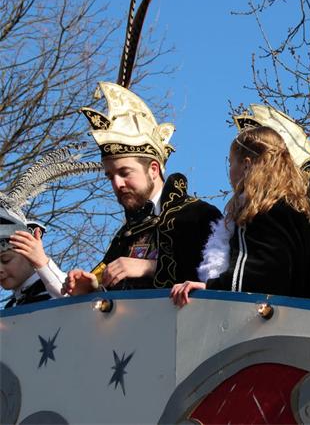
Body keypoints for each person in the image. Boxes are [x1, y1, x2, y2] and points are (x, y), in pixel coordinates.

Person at [64, 83, 222, 294]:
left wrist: (149, 267)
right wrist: (91, 288)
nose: (117, 184)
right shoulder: (126, 234)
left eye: (125, 173)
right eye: (110, 176)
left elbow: (219, 283)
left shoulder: (199, 216)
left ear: (153, 169)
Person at [170, 125, 310, 305]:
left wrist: (211, 287)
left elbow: (260, 271)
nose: (229, 171)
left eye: (231, 163)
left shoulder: (265, 211)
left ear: (246, 165)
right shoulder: (290, 207)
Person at [1, 145, 100, 307]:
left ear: (30, 253)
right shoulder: (12, 305)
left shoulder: (62, 289)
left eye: (5, 259)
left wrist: (41, 262)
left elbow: (73, 302)